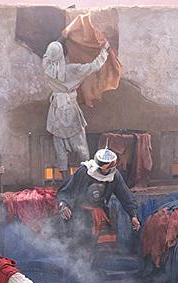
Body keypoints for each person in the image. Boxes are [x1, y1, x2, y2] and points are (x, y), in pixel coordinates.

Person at [43, 38, 109, 173]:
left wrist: (61, 39)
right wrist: (104, 51)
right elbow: (93, 66)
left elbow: (48, 55)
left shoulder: (46, 69)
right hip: (70, 110)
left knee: (60, 149)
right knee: (81, 148)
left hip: (56, 112)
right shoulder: (72, 70)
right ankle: (84, 177)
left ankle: (65, 181)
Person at [56, 148, 140, 251]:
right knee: (78, 245)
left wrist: (133, 215)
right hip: (80, 213)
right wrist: (64, 204)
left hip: (99, 213)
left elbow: (125, 195)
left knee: (101, 248)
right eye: (104, 169)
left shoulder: (114, 175)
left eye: (108, 169)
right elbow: (67, 190)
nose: (106, 172)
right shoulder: (84, 171)